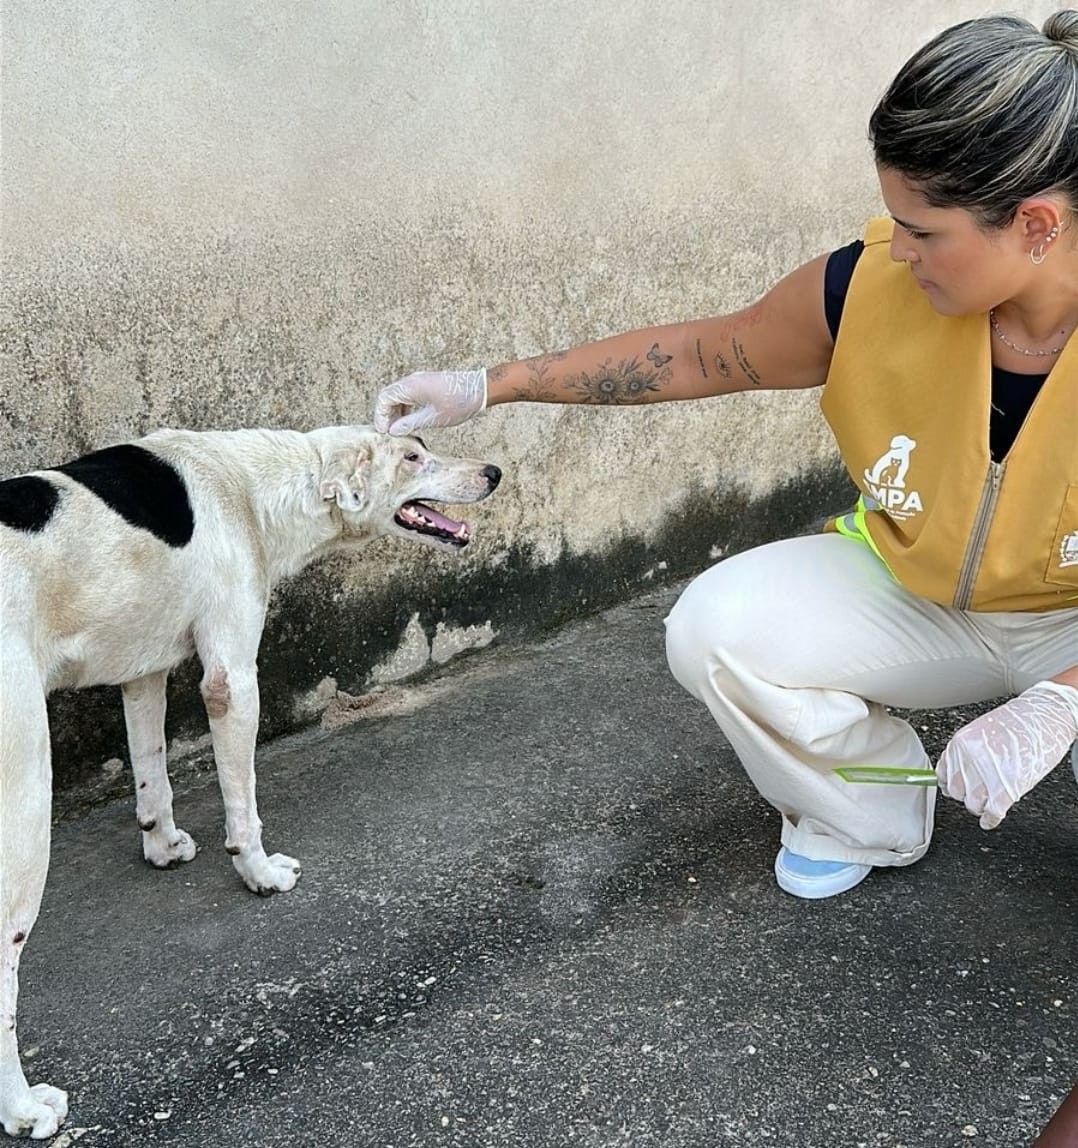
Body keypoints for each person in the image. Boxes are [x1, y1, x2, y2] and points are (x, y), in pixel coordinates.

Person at [373, 11, 1078, 901]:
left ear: (1037, 224)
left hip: (1069, 620)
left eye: (925, 231)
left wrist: (1061, 701)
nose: (898, 249)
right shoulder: (865, 290)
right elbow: (707, 354)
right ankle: (863, 813)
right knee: (715, 632)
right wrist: (488, 385)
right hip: (921, 592)